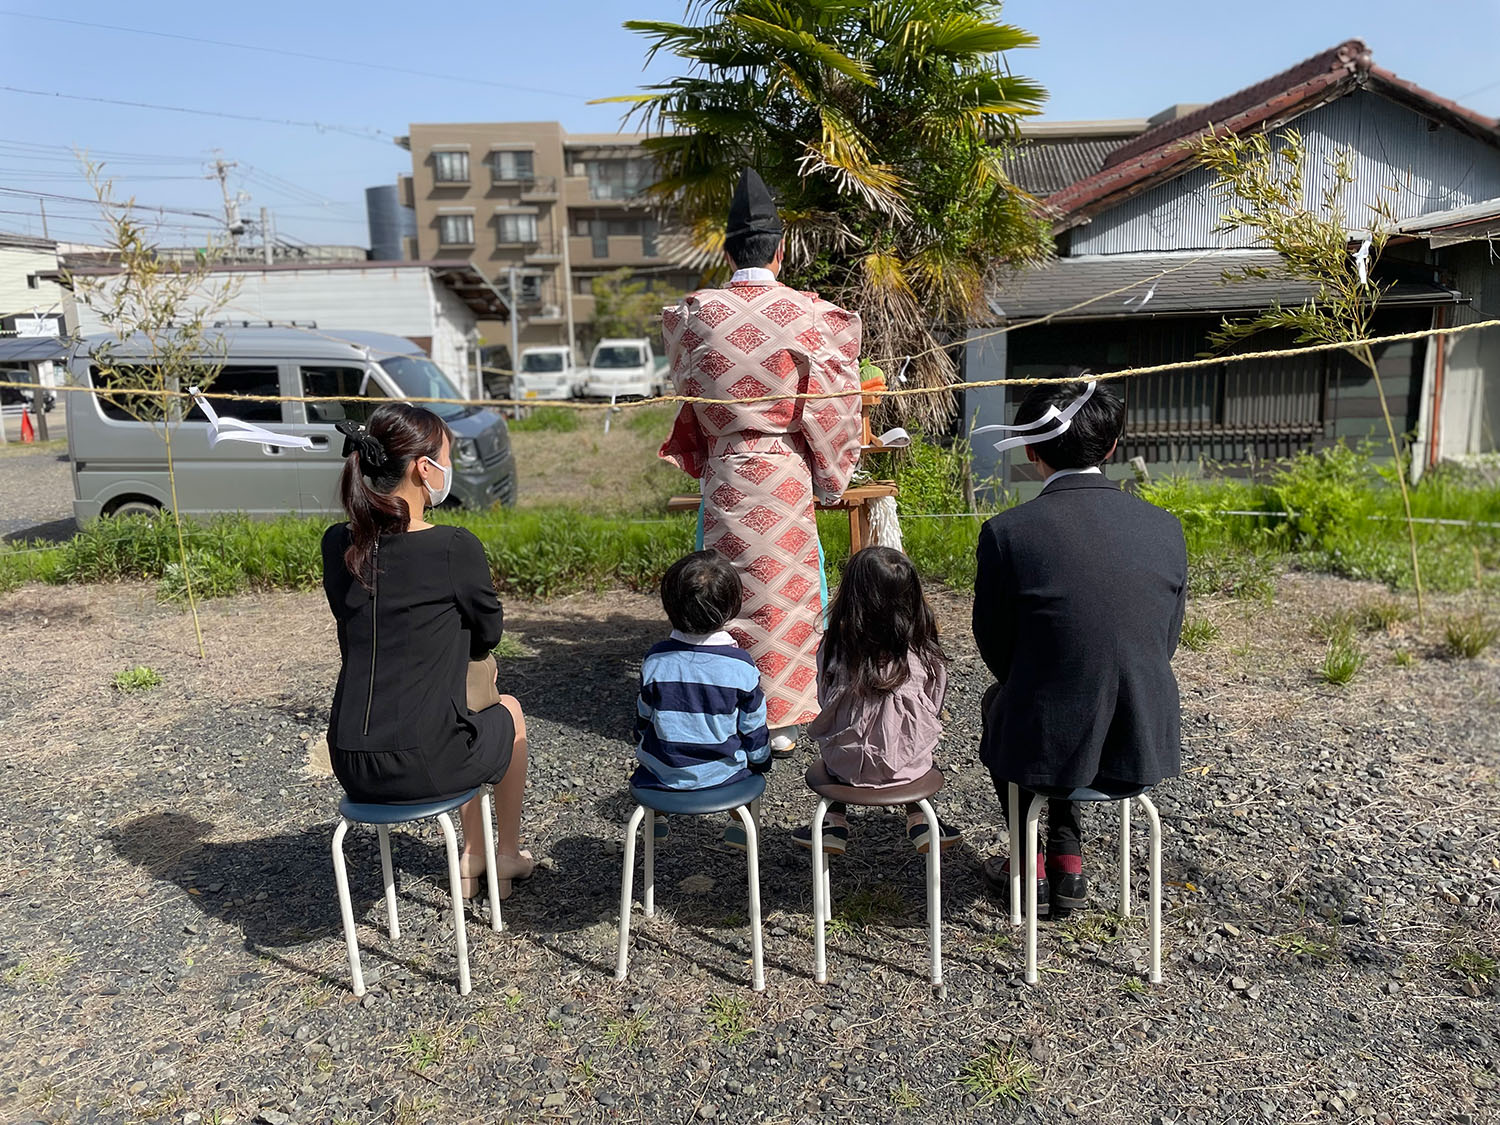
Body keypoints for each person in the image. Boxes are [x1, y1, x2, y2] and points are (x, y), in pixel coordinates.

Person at [659, 166, 864, 756]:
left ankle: (723, 703)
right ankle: (782, 717)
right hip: (783, 468)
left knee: (720, 587)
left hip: (726, 469)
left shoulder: (694, 314)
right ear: (779, 251)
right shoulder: (812, 315)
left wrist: (706, 453)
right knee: (786, 589)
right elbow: (834, 408)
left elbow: (686, 394)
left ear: (728, 253)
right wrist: (831, 475)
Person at [972, 379, 1186, 915]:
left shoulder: (1008, 533)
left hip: (1046, 741)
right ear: (1111, 448)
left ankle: (1030, 861)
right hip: (1141, 740)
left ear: (1030, 448)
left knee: (1010, 698)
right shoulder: (1165, 528)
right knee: (1064, 689)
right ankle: (1067, 857)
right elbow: (1166, 640)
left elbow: (994, 644)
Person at [321, 403, 533, 899]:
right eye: (445, 457)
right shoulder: (452, 545)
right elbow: (489, 632)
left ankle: (473, 855)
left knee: (455, 713)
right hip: (424, 761)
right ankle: (503, 855)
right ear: (423, 468)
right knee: (505, 711)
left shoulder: (337, 544)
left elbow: (348, 620)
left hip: (350, 759)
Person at [793, 547, 962, 855]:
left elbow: (823, 698)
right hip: (910, 769)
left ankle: (833, 820)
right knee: (909, 742)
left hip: (844, 767)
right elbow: (934, 704)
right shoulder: (923, 650)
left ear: (851, 596)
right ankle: (920, 819)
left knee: (843, 735)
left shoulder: (834, 647)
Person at [633, 551, 771, 850]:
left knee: (651, 754)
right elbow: (753, 728)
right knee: (747, 763)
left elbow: (644, 718)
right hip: (724, 775)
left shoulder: (656, 661)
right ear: (732, 606)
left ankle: (656, 815)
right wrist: (762, 760)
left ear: (669, 604)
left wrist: (642, 738)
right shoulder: (741, 667)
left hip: (662, 773)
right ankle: (738, 820)